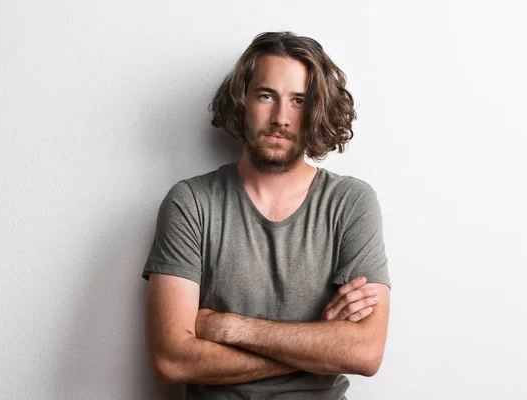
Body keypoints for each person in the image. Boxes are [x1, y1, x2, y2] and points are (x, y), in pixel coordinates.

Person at [142, 31, 390, 399]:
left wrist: (230, 328)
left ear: (317, 109)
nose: (281, 118)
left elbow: (365, 352)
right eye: (266, 96)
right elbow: (172, 361)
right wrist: (318, 345)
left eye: (299, 101)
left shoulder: (351, 203)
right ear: (242, 102)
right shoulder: (191, 203)